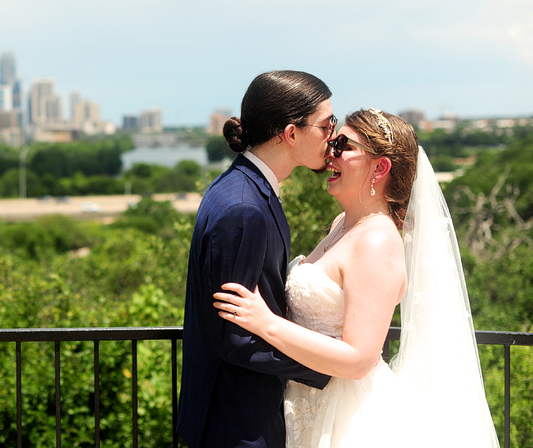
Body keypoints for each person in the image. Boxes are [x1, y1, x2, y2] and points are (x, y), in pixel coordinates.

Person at [213, 109, 499, 448]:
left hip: (347, 417)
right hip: (305, 403)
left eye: (343, 146)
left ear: (379, 167)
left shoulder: (376, 241)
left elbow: (359, 358)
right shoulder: (342, 223)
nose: (329, 154)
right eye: (333, 142)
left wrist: (266, 323)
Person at [177, 71, 334, 448]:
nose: (334, 137)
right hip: (238, 424)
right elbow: (234, 337)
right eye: (328, 125)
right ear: (291, 133)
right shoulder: (244, 207)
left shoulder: (241, 187)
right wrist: (327, 367)